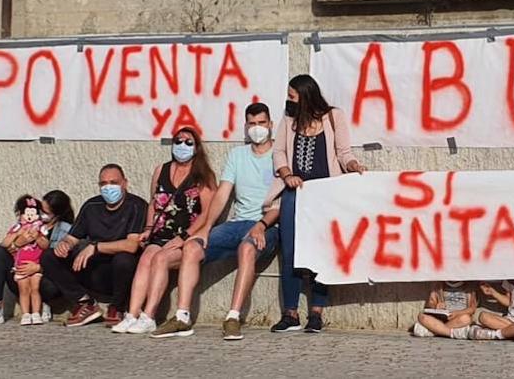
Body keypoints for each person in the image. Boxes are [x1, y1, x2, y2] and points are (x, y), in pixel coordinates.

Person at [153, 103, 281, 340]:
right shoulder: (237, 155)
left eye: (262, 123)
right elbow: (223, 193)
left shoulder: (279, 156)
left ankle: (233, 317)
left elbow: (281, 202)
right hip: (237, 222)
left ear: (271, 125)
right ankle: (182, 316)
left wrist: (261, 225)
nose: (257, 129)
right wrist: (206, 229)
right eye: (252, 124)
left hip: (268, 225)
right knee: (192, 245)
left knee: (246, 247)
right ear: (245, 127)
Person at [270, 74, 366, 334]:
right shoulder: (289, 120)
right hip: (295, 193)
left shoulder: (334, 116)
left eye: (292, 96)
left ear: (305, 95)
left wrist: (353, 165)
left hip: (325, 195)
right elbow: (278, 150)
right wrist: (287, 173)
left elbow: (344, 153)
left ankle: (316, 313)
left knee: (322, 251)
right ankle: (290, 313)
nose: (288, 101)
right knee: (290, 250)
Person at [113, 126, 218, 336]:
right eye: (178, 141)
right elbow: (154, 202)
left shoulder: (203, 176)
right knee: (145, 259)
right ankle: (132, 314)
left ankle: (149, 316)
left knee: (160, 259)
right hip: (161, 233)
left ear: (196, 148)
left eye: (188, 142)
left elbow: (207, 212)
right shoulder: (161, 170)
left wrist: (184, 236)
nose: (182, 146)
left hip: (186, 236)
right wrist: (149, 228)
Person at [43, 164, 146, 328]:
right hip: (92, 268)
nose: (108, 187)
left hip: (121, 273)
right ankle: (84, 303)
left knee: (124, 259)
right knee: (49, 256)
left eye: (114, 182)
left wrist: (96, 247)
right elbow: (72, 237)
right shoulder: (91, 206)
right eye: (103, 184)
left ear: (124, 183)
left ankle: (117, 308)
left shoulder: (136, 206)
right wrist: (65, 244)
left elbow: (132, 245)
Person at [0, 190, 75, 326]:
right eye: (40, 209)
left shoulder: (65, 230)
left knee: (48, 260)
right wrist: (18, 242)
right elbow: (8, 246)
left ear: (57, 214)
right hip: (21, 274)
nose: (41, 214)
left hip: (46, 281)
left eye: (46, 212)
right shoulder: (29, 223)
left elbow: (63, 263)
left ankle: (42, 304)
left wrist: (39, 268)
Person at [8, 195, 52, 326]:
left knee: (35, 289)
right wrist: (17, 238)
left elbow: (46, 245)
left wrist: (38, 236)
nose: (29, 217)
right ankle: (26, 314)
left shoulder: (41, 229)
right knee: (23, 290)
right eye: (26, 214)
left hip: (36, 264)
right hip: (21, 266)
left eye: (33, 214)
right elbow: (4, 244)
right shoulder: (18, 228)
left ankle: (36, 313)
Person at [412, 280, 499, 340]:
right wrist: (436, 306)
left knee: (466, 319)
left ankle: (434, 331)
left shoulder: (470, 287)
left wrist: (458, 313)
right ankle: (453, 333)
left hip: (459, 318)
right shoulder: (439, 285)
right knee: (421, 317)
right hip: (442, 318)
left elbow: (472, 309)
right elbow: (430, 305)